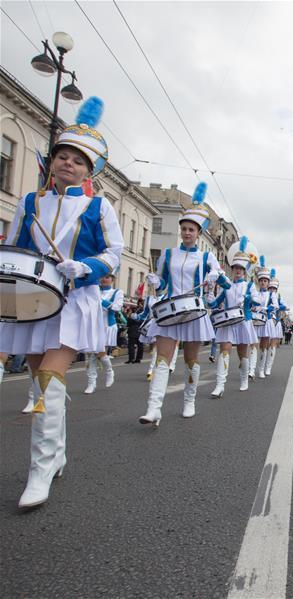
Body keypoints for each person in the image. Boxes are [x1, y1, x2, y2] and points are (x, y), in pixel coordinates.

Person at [0, 97, 124, 508]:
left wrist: (85, 266)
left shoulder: (98, 205)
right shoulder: (30, 202)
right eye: (63, 156)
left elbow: (114, 252)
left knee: (50, 380)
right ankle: (55, 455)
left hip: (74, 300)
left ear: (90, 170)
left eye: (78, 160)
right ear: (51, 162)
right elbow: (15, 247)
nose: (68, 163)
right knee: (40, 383)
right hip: (33, 299)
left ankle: (39, 471)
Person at [139, 182, 228, 425]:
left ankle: (189, 401)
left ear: (199, 233)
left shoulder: (207, 256)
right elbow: (162, 284)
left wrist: (214, 275)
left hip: (194, 311)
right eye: (184, 229)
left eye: (192, 229)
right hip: (170, 309)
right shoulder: (168, 255)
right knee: (162, 359)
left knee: (191, 359)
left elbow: (221, 276)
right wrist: (155, 280)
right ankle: (153, 408)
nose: (187, 233)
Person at [207, 236, 261, 396]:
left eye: (240, 268)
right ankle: (220, 385)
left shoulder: (250, 285)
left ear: (244, 271)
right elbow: (216, 303)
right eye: (235, 268)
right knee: (224, 350)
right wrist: (209, 298)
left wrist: (248, 298)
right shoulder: (226, 286)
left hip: (243, 321)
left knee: (242, 354)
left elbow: (257, 301)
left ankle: (244, 379)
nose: (237, 270)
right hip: (228, 321)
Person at [83, 272, 123, 394]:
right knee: (91, 355)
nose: (104, 279)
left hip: (107, 326)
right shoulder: (94, 290)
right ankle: (92, 383)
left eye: (107, 277)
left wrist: (100, 301)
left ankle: (109, 371)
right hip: (93, 326)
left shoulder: (117, 292)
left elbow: (117, 307)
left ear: (112, 279)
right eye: (102, 277)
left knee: (100, 352)